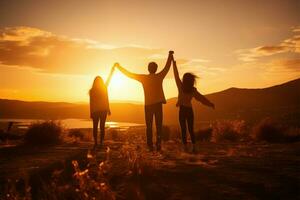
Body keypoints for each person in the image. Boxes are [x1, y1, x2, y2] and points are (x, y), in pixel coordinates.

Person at [115, 51, 174, 151]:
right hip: (158, 105)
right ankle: (158, 145)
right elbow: (167, 67)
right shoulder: (159, 76)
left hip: (148, 105)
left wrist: (119, 67)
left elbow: (130, 74)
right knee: (158, 126)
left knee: (149, 126)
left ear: (148, 69)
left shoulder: (144, 78)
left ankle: (150, 145)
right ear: (156, 69)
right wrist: (170, 56)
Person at [172, 57, 215, 152]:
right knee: (191, 129)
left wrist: (173, 63)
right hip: (189, 110)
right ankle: (194, 147)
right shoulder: (193, 90)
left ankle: (185, 147)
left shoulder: (181, 86)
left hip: (182, 110)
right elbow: (201, 99)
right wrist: (210, 104)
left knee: (183, 129)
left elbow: (176, 75)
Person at [89, 64, 115, 149]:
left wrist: (91, 112)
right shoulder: (103, 88)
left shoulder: (92, 90)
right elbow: (105, 99)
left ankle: (97, 143)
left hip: (97, 111)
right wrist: (108, 109)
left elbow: (91, 103)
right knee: (102, 127)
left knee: (96, 127)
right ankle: (100, 143)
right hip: (102, 110)